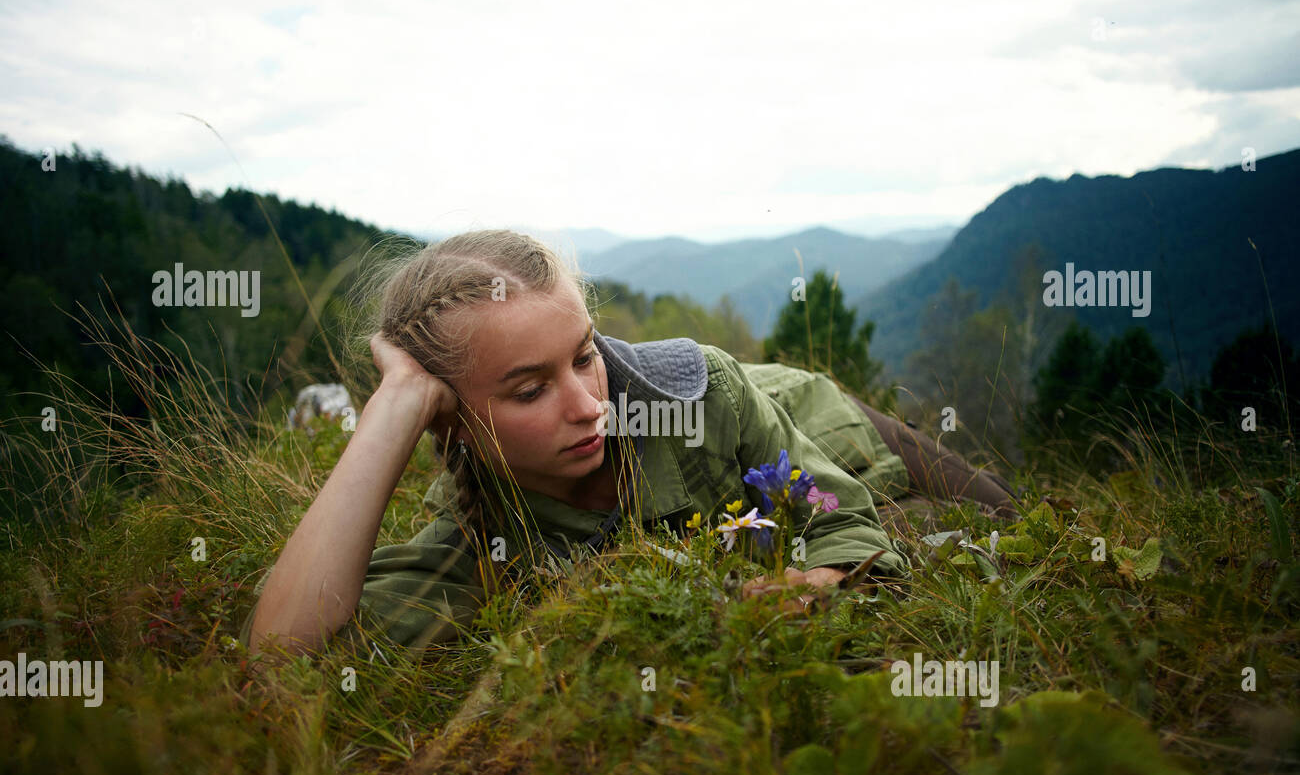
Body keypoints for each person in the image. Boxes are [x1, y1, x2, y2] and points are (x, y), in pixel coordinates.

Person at [244, 230, 1017, 656]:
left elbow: (839, 515)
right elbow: (281, 648)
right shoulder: (480, 532)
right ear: (451, 419)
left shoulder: (708, 392)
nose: (588, 407)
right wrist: (395, 408)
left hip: (805, 418)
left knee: (1002, 525)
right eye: (528, 390)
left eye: (584, 355)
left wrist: (814, 582)